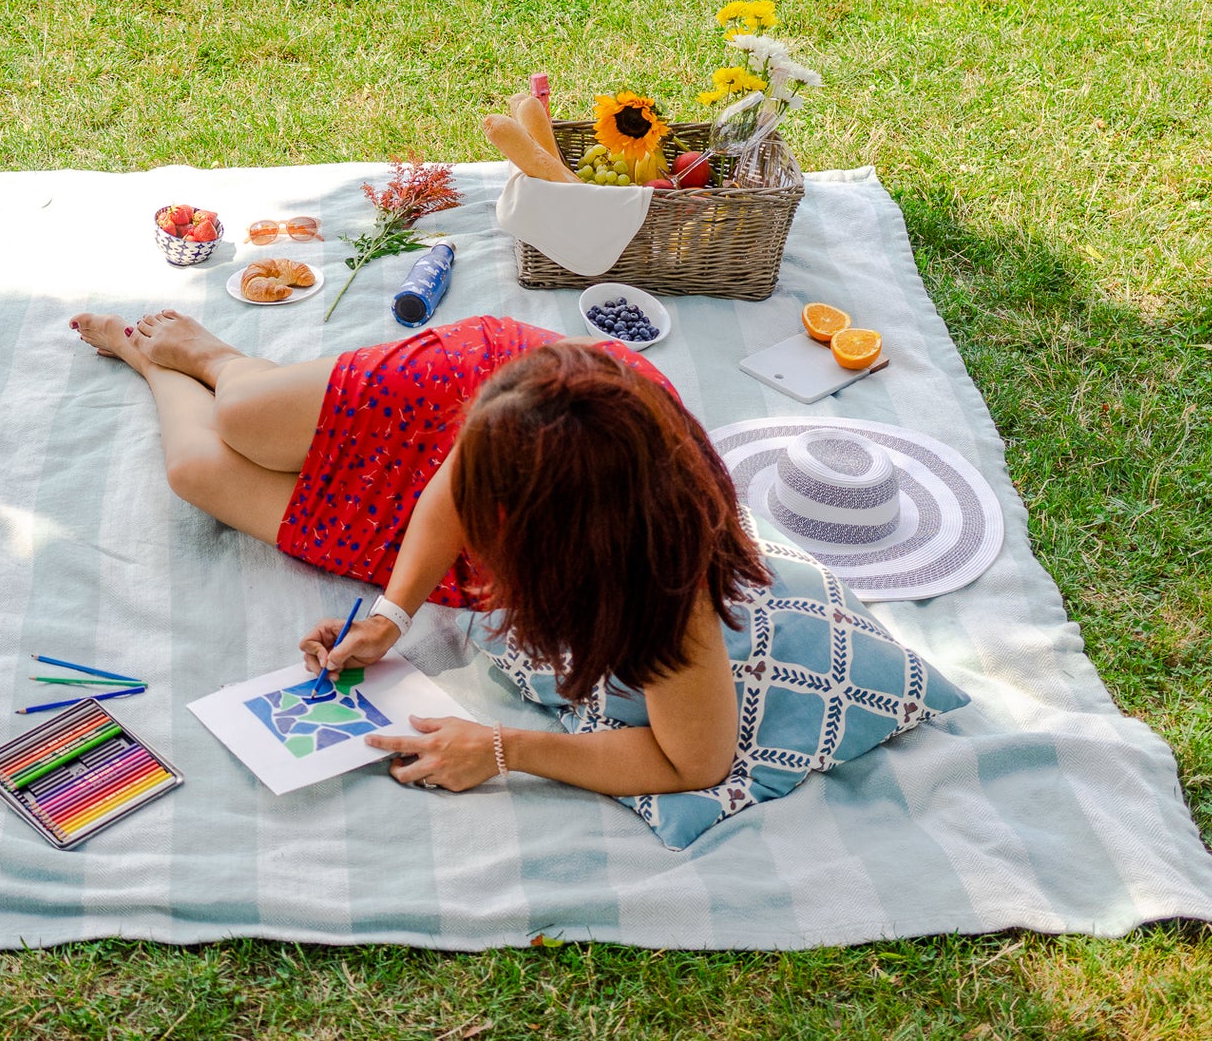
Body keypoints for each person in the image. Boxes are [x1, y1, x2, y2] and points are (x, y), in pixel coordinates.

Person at [67, 309, 769, 800]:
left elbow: (694, 763)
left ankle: (150, 364)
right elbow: (452, 492)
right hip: (470, 378)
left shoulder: (665, 587)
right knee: (240, 417)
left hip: (543, 465)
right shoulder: (520, 405)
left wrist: (504, 750)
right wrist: (392, 616)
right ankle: (219, 362)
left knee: (195, 472)